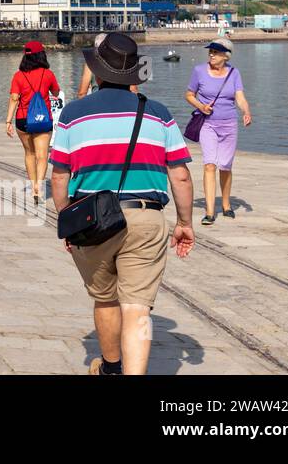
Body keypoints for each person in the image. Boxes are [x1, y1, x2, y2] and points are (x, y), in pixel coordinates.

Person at [51, 33, 195, 376]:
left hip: (91, 220)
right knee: (137, 308)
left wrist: (66, 222)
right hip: (145, 219)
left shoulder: (73, 114)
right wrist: (184, 222)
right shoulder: (158, 114)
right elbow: (181, 175)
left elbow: (59, 177)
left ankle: (111, 368)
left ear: (98, 73)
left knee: (104, 298)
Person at [184, 37, 252, 225]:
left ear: (226, 56)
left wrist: (246, 111)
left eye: (215, 52)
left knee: (225, 167)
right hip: (208, 124)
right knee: (209, 165)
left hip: (229, 124)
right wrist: (201, 105)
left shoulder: (234, 73)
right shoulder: (199, 71)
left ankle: (226, 204)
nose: (211, 55)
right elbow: (189, 94)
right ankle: (209, 211)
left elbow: (240, 97)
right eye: (210, 52)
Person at [5, 40, 62, 203]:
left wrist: (8, 121)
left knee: (29, 153)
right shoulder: (48, 74)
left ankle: (33, 187)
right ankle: (39, 187)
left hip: (23, 119)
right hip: (43, 120)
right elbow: (56, 93)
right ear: (41, 55)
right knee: (42, 155)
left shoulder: (18, 75)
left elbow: (14, 98)